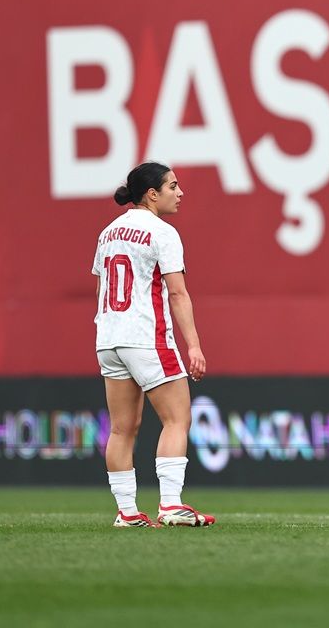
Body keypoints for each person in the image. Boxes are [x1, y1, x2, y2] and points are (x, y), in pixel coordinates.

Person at [93, 162, 215, 528]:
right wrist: (193, 345)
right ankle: (171, 505)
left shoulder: (107, 233)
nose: (180, 193)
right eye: (173, 186)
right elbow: (177, 292)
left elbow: (100, 290)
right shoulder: (162, 232)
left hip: (108, 338)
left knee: (121, 429)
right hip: (145, 337)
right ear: (152, 194)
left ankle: (127, 512)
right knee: (177, 419)